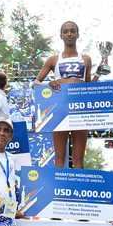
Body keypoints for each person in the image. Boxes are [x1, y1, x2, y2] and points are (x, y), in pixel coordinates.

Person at [34, 21, 93, 168]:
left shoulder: (85, 59)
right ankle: (59, 190)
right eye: (66, 31)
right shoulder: (53, 59)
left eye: (73, 31)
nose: (69, 34)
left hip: (79, 110)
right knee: (60, 158)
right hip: (59, 110)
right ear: (61, 35)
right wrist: (48, 84)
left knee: (78, 159)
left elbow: (89, 86)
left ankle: (79, 188)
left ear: (78, 34)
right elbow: (35, 83)